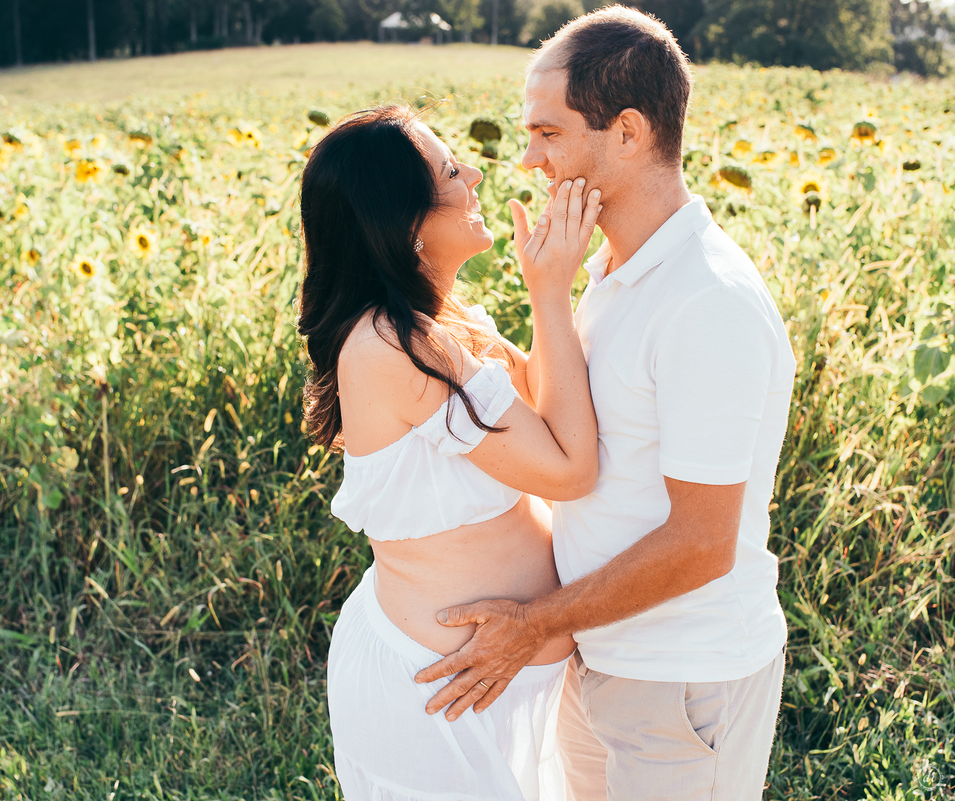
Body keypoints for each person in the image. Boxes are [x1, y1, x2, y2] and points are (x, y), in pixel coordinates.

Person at [414, 7, 797, 801]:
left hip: (683, 684)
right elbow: (585, 421)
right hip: (601, 662)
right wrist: (468, 330)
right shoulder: (616, 272)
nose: (528, 160)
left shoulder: (705, 301)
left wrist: (535, 622)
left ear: (627, 133)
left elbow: (701, 543)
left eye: (548, 135)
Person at [295, 104, 603, 800]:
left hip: (492, 684)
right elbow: (569, 468)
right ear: (407, 226)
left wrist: (550, 293)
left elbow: (548, 410)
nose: (476, 174)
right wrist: (549, 292)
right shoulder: (397, 348)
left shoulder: (446, 322)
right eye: (450, 170)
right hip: (437, 697)